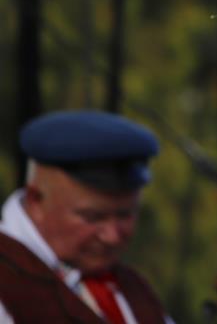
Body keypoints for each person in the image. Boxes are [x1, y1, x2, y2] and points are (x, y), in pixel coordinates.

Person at [0, 110, 172, 324]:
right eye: (93, 217)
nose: (112, 236)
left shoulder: (133, 290)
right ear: (36, 200)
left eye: (125, 214)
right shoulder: (7, 285)